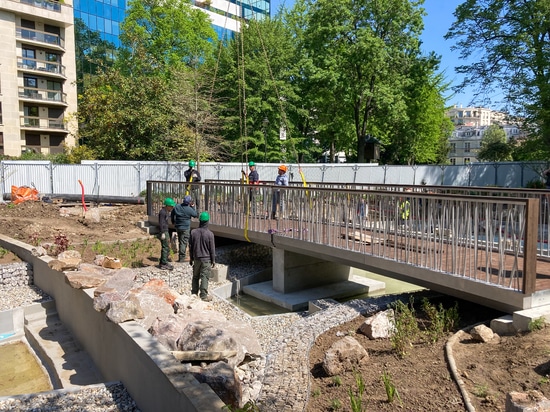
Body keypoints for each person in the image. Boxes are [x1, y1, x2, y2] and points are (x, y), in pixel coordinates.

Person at [189, 211, 216, 302]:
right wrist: (213, 260)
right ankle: (203, 296)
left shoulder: (193, 232)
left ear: (199, 221)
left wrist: (191, 258)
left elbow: (191, 247)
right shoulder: (210, 234)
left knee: (195, 276)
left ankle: (194, 293)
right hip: (206, 259)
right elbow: (212, 249)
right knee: (204, 277)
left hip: (196, 258)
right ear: (207, 222)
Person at [171, 195, 198, 263]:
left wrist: (173, 221)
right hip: (185, 228)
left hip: (178, 227)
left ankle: (181, 256)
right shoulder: (189, 209)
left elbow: (172, 213)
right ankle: (182, 258)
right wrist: (192, 207)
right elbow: (195, 215)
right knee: (183, 242)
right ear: (189, 202)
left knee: (181, 241)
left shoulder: (177, 206)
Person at [158, 197, 175, 270]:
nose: (172, 208)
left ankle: (163, 262)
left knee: (167, 247)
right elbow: (161, 223)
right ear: (167, 205)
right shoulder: (162, 212)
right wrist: (162, 232)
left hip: (165, 231)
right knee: (166, 247)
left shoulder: (165, 212)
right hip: (164, 231)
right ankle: (163, 263)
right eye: (171, 206)